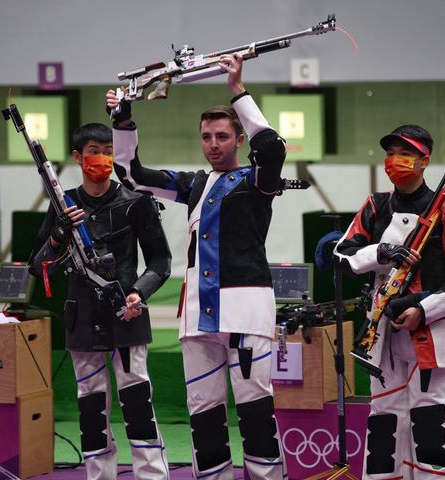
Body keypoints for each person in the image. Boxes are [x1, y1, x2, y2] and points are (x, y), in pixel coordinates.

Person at [107, 53, 287, 479]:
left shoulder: (258, 180)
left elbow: (273, 148)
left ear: (239, 139)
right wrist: (122, 118)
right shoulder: (194, 183)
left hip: (245, 312)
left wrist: (238, 91)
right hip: (198, 315)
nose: (212, 144)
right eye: (206, 136)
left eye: (222, 136)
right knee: (204, 413)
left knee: (255, 409)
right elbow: (130, 175)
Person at [28, 123, 172, 480]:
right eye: (95, 150)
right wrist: (60, 233)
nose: (103, 158)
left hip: (127, 314)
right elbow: (37, 266)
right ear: (78, 157)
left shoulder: (137, 201)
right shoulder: (62, 205)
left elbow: (160, 261)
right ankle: (99, 475)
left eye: (109, 150)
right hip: (83, 318)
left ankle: (152, 475)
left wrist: (140, 291)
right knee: (91, 408)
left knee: (138, 404)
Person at [334, 125, 445, 479]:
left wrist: (422, 310)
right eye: (391, 152)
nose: (395, 161)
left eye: (406, 154)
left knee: (430, 420)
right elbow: (342, 255)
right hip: (380, 334)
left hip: (429, 334)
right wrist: (381, 252)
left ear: (424, 160)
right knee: (383, 420)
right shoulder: (375, 206)